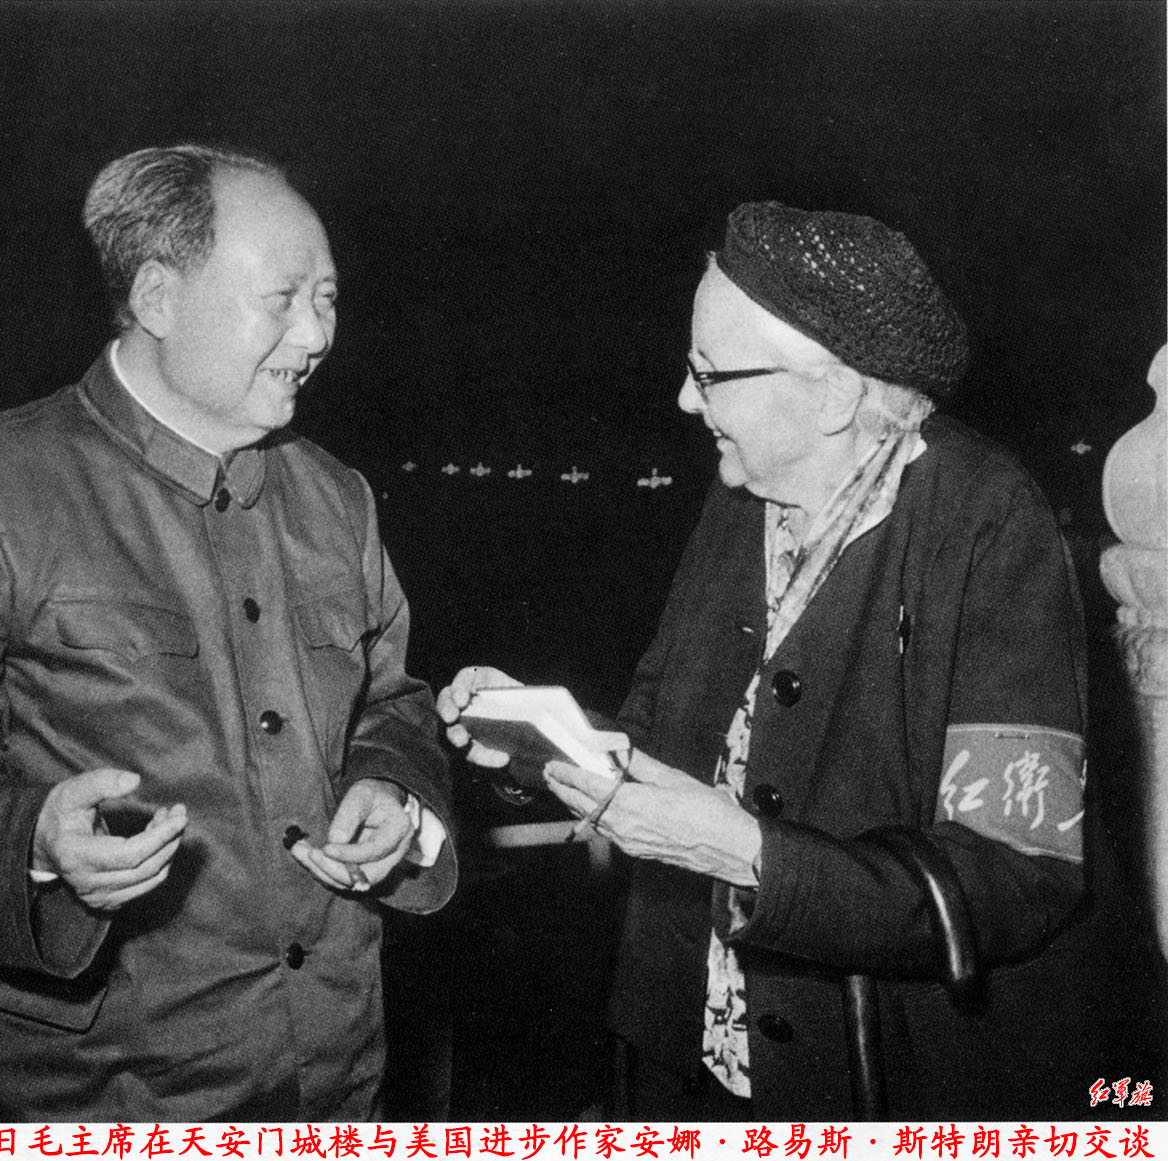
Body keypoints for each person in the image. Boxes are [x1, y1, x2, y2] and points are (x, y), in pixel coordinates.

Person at [0, 144, 456, 1121]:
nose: (318, 332)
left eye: (326, 298)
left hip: (330, 1078)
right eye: (282, 299)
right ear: (157, 298)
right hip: (74, 1097)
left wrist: (391, 789)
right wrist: (30, 841)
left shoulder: (338, 499)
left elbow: (390, 702)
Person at [440, 201, 1086, 1119]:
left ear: (833, 394)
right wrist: (543, 741)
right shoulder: (742, 497)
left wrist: (749, 854)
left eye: (710, 373)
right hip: (692, 1060)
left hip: (876, 1086)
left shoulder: (986, 521)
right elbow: (661, 737)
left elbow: (1019, 877)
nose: (684, 399)